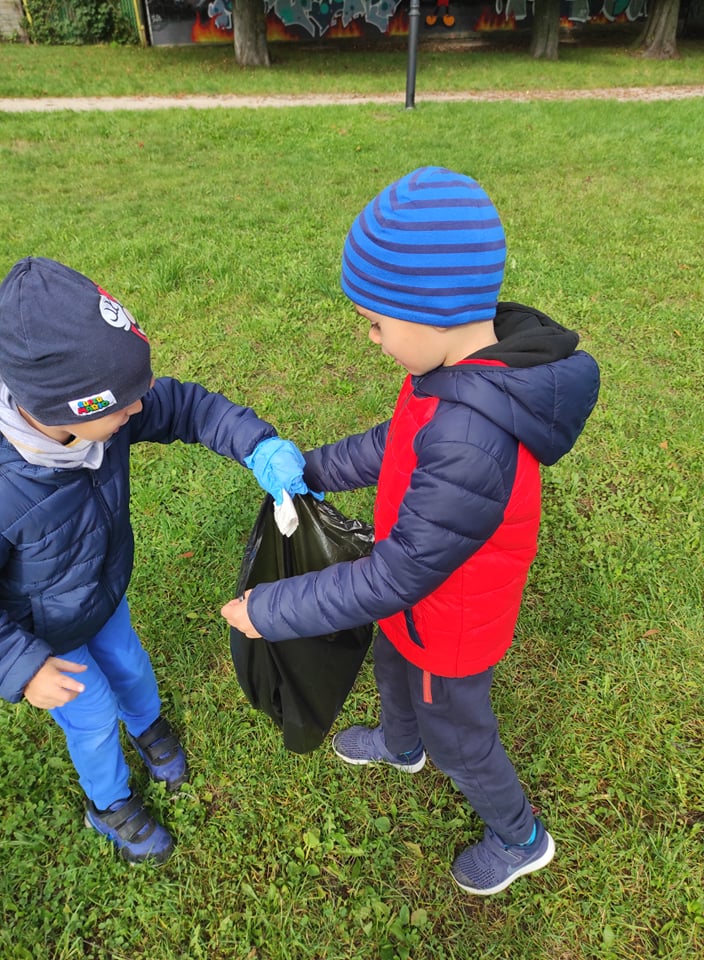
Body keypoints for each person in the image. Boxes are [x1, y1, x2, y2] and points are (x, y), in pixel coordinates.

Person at [222, 166, 600, 896]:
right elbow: (394, 443)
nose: (371, 338)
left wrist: (272, 608)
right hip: (415, 607)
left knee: (458, 734)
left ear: (434, 315)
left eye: (376, 323)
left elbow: (397, 574)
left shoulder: (472, 437)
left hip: (448, 626)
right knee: (392, 664)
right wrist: (312, 469)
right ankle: (401, 746)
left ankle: (520, 837)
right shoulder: (450, 374)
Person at [0, 256, 316, 865]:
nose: (140, 409)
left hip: (100, 594)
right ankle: (109, 802)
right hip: (40, 633)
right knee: (91, 712)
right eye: (125, 403)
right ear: (72, 411)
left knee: (128, 663)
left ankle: (147, 726)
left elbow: (189, 408)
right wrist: (20, 665)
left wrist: (258, 445)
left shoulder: (102, 415)